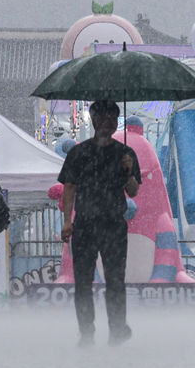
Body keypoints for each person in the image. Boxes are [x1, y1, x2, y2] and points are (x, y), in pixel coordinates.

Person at [59, 100, 141, 346]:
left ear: (117, 122)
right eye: (102, 119)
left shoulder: (125, 153)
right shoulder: (79, 152)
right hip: (84, 224)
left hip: (114, 224)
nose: (107, 124)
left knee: (115, 280)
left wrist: (128, 171)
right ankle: (86, 332)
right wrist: (67, 222)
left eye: (112, 120)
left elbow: (134, 191)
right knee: (83, 281)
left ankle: (117, 329)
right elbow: (69, 187)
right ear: (93, 121)